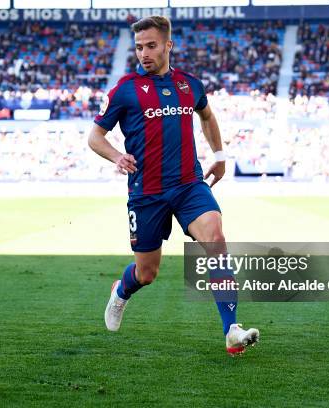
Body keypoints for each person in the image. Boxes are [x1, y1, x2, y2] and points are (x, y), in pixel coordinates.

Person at [87, 16, 259, 355]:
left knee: (215, 237)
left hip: (188, 184)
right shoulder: (125, 90)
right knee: (147, 273)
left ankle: (232, 331)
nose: (144, 53)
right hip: (146, 193)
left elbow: (207, 115)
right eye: (139, 47)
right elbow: (95, 136)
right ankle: (121, 291)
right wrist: (117, 157)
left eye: (151, 45)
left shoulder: (190, 85)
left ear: (168, 45)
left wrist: (220, 154)